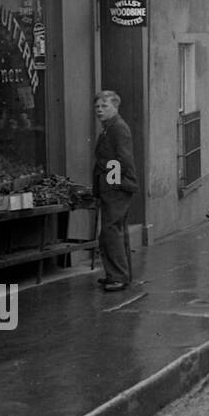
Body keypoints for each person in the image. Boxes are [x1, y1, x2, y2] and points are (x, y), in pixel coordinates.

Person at [92, 90, 138, 292]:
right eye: (97, 107)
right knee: (115, 231)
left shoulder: (117, 128)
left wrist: (112, 183)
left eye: (104, 106)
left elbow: (124, 159)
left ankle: (118, 276)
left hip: (115, 188)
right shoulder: (109, 128)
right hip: (114, 186)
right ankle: (120, 275)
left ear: (115, 107)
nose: (100, 110)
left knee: (110, 231)